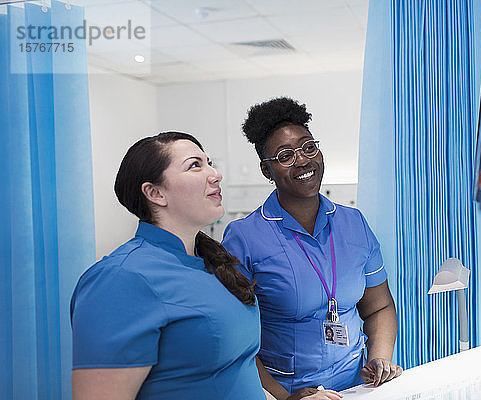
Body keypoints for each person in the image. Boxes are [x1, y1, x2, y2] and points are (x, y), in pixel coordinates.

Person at [70, 131, 342, 400]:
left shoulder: (212, 264)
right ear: (155, 193)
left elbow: (232, 371)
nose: (215, 174)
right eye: (195, 166)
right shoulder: (121, 279)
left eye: (209, 162)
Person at [222, 98, 402, 400]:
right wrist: (284, 398)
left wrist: (379, 358)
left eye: (308, 147)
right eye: (285, 155)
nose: (303, 160)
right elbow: (236, 341)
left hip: (358, 386)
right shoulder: (243, 238)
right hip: (285, 390)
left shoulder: (353, 223)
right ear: (267, 171)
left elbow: (379, 306)